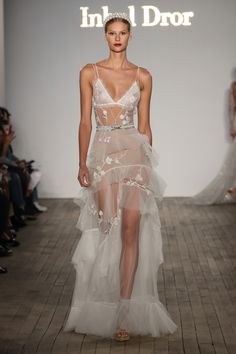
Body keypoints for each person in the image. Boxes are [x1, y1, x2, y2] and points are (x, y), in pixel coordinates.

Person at [64, 12, 177, 340]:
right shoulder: (89, 72)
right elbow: (85, 121)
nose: (117, 38)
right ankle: (104, 304)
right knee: (108, 228)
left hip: (134, 155)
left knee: (131, 230)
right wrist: (82, 163)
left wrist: (149, 164)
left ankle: (125, 312)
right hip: (102, 155)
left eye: (122, 33)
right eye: (111, 33)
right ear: (105, 36)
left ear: (130, 36)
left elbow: (145, 124)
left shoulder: (143, 75)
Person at [192, 81, 236, 204]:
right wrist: (232, 127)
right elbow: (230, 109)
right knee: (233, 162)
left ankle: (233, 190)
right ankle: (232, 190)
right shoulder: (234, 86)